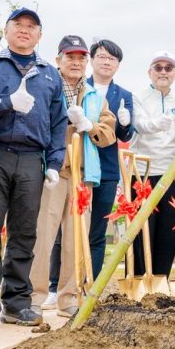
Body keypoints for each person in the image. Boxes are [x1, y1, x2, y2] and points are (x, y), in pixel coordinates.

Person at [0, 7, 67, 329]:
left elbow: (58, 123)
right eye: (18, 25)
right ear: (7, 30)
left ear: (40, 35)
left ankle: (16, 302)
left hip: (31, 160)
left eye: (32, 26)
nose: (24, 30)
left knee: (25, 232)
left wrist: (54, 163)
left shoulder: (50, 74)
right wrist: (6, 102)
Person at [28, 36, 116, 318]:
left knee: (76, 239)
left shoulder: (93, 95)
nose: (76, 63)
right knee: (43, 235)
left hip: (83, 175)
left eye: (81, 58)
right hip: (53, 172)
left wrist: (88, 125)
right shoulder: (46, 86)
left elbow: (108, 133)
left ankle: (69, 297)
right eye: (70, 57)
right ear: (58, 60)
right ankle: (34, 297)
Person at [130, 51, 175, 276]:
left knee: (170, 230)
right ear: (150, 72)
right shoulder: (138, 97)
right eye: (158, 67)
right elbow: (140, 125)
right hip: (143, 172)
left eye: (168, 68)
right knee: (142, 229)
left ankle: (162, 278)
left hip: (171, 173)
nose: (163, 72)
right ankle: (138, 277)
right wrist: (156, 123)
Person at [87, 38, 134, 278]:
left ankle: (91, 282)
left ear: (118, 65)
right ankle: (57, 285)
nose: (107, 62)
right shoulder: (78, 86)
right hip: (80, 166)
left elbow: (125, 134)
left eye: (112, 59)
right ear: (92, 59)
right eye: (102, 57)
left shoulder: (124, 95)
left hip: (107, 169)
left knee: (97, 230)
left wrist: (126, 124)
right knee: (69, 229)